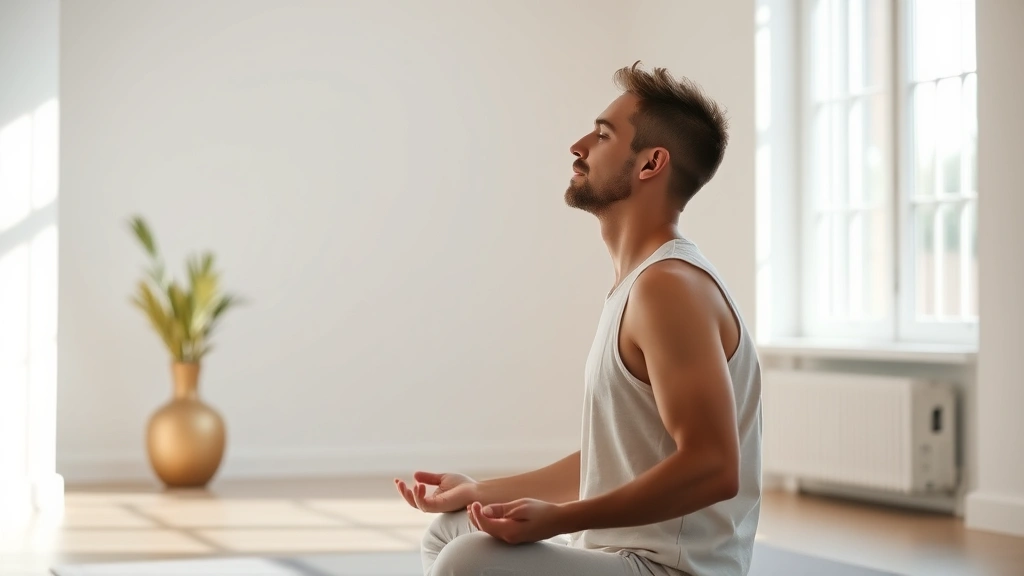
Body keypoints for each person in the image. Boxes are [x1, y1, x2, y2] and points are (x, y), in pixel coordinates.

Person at [394, 62, 762, 576]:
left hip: (666, 569)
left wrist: (558, 519)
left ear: (651, 163)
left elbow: (714, 467)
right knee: (453, 527)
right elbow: (610, 462)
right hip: (614, 555)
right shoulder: (641, 284)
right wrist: (482, 492)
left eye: (603, 135)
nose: (578, 145)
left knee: (467, 560)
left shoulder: (668, 288)